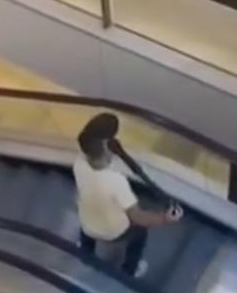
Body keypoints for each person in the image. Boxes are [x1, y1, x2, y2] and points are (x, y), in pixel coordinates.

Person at [73, 112, 180, 278]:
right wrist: (165, 219)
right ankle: (130, 269)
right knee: (140, 233)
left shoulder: (78, 163)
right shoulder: (116, 182)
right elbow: (138, 217)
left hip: (87, 224)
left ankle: (85, 255)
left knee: (88, 220)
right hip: (113, 232)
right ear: (109, 147)